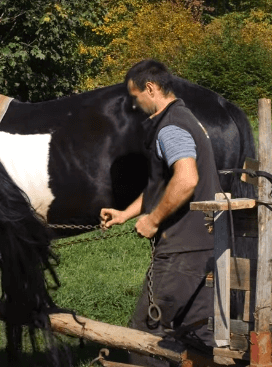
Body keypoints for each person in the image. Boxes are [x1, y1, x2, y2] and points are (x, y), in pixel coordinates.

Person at [100, 59, 219, 365]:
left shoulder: (171, 127)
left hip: (180, 251)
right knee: (196, 338)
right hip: (206, 245)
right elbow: (165, 184)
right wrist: (126, 214)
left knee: (144, 336)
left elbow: (186, 178)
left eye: (134, 96)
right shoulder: (186, 118)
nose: (133, 104)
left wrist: (153, 220)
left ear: (150, 89)